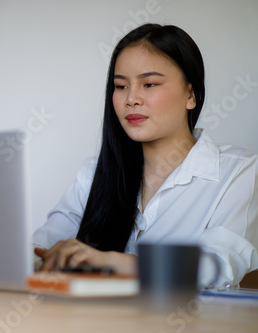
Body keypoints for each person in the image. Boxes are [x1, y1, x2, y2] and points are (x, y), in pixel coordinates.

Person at [32, 23, 258, 287]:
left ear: (191, 94)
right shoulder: (94, 174)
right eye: (120, 86)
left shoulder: (238, 172)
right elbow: (42, 248)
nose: (132, 99)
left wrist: (114, 262)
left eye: (149, 83)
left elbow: (217, 267)